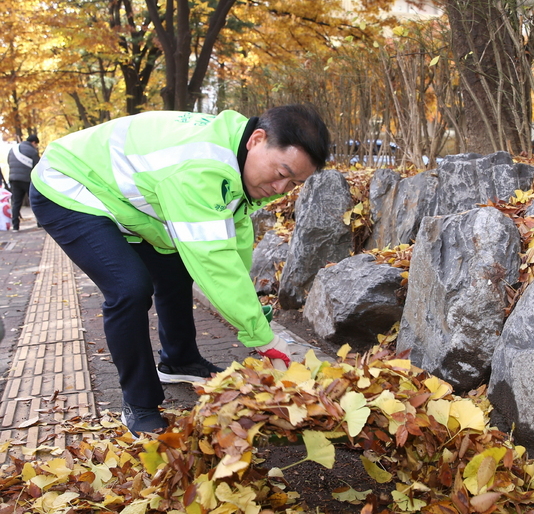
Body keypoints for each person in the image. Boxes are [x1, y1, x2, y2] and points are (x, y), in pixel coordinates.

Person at [30, 105, 330, 435]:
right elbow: (213, 261)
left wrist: (249, 311)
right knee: (128, 288)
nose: (280, 188)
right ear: (257, 139)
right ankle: (139, 405)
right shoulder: (200, 167)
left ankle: (179, 360)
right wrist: (263, 336)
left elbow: (233, 245)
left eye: (294, 183)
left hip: (120, 199)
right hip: (68, 185)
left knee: (177, 264)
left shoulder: (234, 154)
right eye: (281, 172)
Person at [8, 134, 40, 231]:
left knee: (16, 202)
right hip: (27, 179)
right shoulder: (32, 151)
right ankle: (40, 223)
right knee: (35, 200)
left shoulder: (13, 149)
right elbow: (37, 166)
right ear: (34, 142)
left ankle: (15, 226)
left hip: (14, 179)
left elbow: (9, 162)